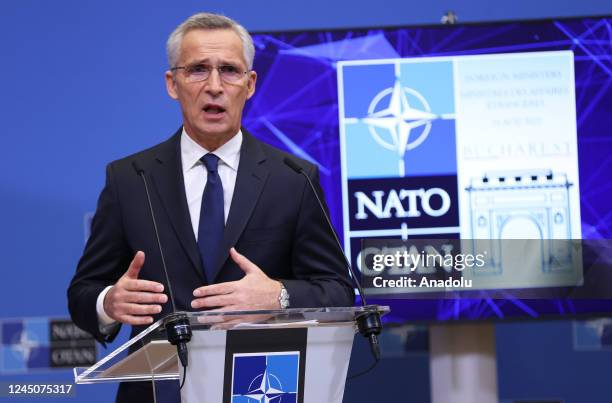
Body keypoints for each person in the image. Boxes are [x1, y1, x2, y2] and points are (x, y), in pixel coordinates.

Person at [67, 12, 354, 403]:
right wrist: (109, 303)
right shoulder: (130, 179)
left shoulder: (294, 178)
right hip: (157, 390)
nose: (215, 86)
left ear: (250, 84)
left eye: (230, 71)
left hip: (261, 386)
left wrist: (279, 297)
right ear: (173, 83)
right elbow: (83, 294)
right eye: (198, 70)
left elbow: (338, 290)